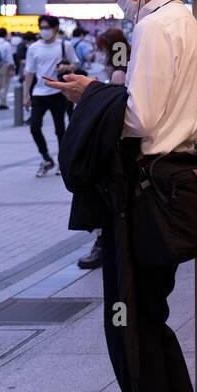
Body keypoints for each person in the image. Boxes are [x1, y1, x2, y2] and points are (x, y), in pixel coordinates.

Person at [45, 0, 197, 392]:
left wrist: (90, 94)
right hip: (172, 189)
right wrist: (101, 87)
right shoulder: (185, 24)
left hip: (145, 194)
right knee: (151, 324)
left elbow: (139, 118)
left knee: (131, 333)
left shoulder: (154, 27)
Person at [75, 27, 130, 271]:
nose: (99, 52)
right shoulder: (123, 61)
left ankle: (102, 241)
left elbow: (116, 93)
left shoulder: (119, 69)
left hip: (115, 140)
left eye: (102, 47)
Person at [23, 16, 80, 177]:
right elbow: (29, 73)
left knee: (60, 129)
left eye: (46, 27)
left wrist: (66, 67)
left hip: (58, 92)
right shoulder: (33, 48)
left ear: (55, 28)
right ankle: (46, 158)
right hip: (39, 93)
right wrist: (25, 95)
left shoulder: (65, 45)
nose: (43, 30)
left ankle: (63, 162)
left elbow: (75, 64)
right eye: (41, 27)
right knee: (34, 127)